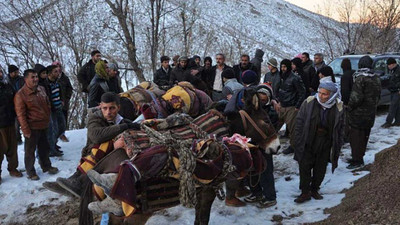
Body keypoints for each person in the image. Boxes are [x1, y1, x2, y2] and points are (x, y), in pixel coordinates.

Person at [45, 92, 138, 197]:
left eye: (112, 108)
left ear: (118, 107)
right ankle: (75, 182)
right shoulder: (95, 118)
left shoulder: (122, 121)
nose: (108, 112)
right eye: (105, 108)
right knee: (101, 147)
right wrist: (122, 128)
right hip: (93, 154)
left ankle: (75, 182)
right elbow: (96, 136)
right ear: (100, 107)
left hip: (113, 156)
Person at [293, 81, 344, 203]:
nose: (321, 96)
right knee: (304, 166)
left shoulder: (338, 107)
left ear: (332, 95)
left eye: (325, 94)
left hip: (325, 142)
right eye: (320, 92)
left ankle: (315, 189)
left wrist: (339, 142)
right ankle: (305, 192)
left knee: (320, 167)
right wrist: (298, 140)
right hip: (308, 140)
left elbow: (341, 127)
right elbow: (299, 121)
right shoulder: (309, 102)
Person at [14, 69, 59, 180]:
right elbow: (20, 115)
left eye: (36, 77)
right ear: (26, 79)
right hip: (31, 127)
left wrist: (47, 119)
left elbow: (48, 104)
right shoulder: (20, 95)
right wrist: (25, 130)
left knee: (45, 148)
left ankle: (46, 166)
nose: (35, 79)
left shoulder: (41, 89)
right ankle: (30, 171)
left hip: (44, 125)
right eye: (32, 77)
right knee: (30, 152)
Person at [244, 84, 277, 208]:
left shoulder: (271, 113)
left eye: (264, 100)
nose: (261, 102)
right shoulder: (251, 110)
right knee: (251, 170)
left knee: (265, 171)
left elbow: (270, 130)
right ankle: (256, 192)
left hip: (265, 146)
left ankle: (270, 197)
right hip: (252, 144)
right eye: (259, 99)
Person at [347, 56, 381, 169]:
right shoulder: (376, 77)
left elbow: (356, 97)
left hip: (358, 114)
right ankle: (359, 157)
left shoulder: (360, 78)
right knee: (364, 136)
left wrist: (349, 107)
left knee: (356, 137)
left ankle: (357, 160)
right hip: (370, 113)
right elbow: (378, 95)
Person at [277, 59, 306, 154]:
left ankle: (294, 146)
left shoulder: (295, 78)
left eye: (285, 67)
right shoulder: (281, 77)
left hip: (292, 106)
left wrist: (297, 106)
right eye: (281, 67)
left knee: (293, 128)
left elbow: (302, 92)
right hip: (282, 105)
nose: (283, 69)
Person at [0, 66, 23, 183]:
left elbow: (16, 100)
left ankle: (13, 168)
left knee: (12, 147)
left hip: (10, 121)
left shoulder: (7, 86)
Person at [44, 65, 66, 157]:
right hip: (52, 110)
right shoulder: (46, 84)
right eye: (55, 71)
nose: (58, 73)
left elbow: (61, 93)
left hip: (59, 108)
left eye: (58, 71)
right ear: (50, 73)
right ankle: (51, 149)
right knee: (54, 129)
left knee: (62, 127)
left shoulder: (57, 83)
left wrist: (62, 100)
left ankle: (54, 144)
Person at [52, 61, 73, 139]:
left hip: (64, 102)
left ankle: (62, 134)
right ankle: (56, 135)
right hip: (54, 103)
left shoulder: (65, 78)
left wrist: (67, 98)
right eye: (56, 67)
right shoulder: (51, 78)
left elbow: (70, 88)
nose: (58, 68)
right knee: (55, 121)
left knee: (64, 120)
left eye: (59, 66)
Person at [8, 65, 24, 144]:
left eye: (17, 72)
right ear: (10, 73)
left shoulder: (21, 79)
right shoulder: (7, 81)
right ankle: (17, 139)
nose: (17, 73)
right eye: (15, 72)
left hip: (21, 103)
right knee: (15, 124)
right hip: (11, 105)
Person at [382, 58, 400, 128]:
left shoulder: (398, 70)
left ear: (393, 64)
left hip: (397, 91)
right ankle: (398, 121)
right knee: (397, 107)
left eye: (389, 65)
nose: (388, 66)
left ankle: (388, 122)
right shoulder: (392, 71)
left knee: (392, 107)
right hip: (393, 90)